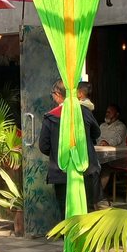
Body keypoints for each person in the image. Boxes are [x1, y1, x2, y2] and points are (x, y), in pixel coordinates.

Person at [38, 80, 101, 212]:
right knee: (88, 210)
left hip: (61, 170)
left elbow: (43, 146)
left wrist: (58, 152)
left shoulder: (51, 117)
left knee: (65, 210)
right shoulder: (84, 111)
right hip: (85, 168)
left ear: (57, 94)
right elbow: (96, 133)